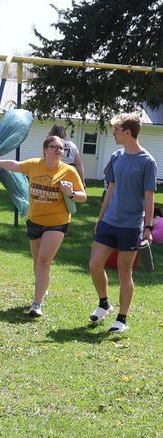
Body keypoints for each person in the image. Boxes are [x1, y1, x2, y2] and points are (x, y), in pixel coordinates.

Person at [0, 135, 87, 317]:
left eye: (61, 148)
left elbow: (83, 196)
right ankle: (43, 288)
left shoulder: (68, 171)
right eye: (53, 146)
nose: (58, 150)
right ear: (45, 150)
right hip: (34, 220)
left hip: (57, 223)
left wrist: (71, 193)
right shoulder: (34, 164)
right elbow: (15, 166)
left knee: (43, 260)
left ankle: (36, 304)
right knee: (37, 262)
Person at [88, 113, 157, 333]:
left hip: (131, 225)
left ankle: (122, 319)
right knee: (94, 265)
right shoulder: (116, 156)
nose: (114, 133)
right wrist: (100, 218)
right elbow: (110, 189)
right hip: (109, 221)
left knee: (124, 272)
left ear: (127, 132)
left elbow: (149, 197)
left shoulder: (147, 161)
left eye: (116, 130)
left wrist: (148, 227)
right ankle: (104, 304)